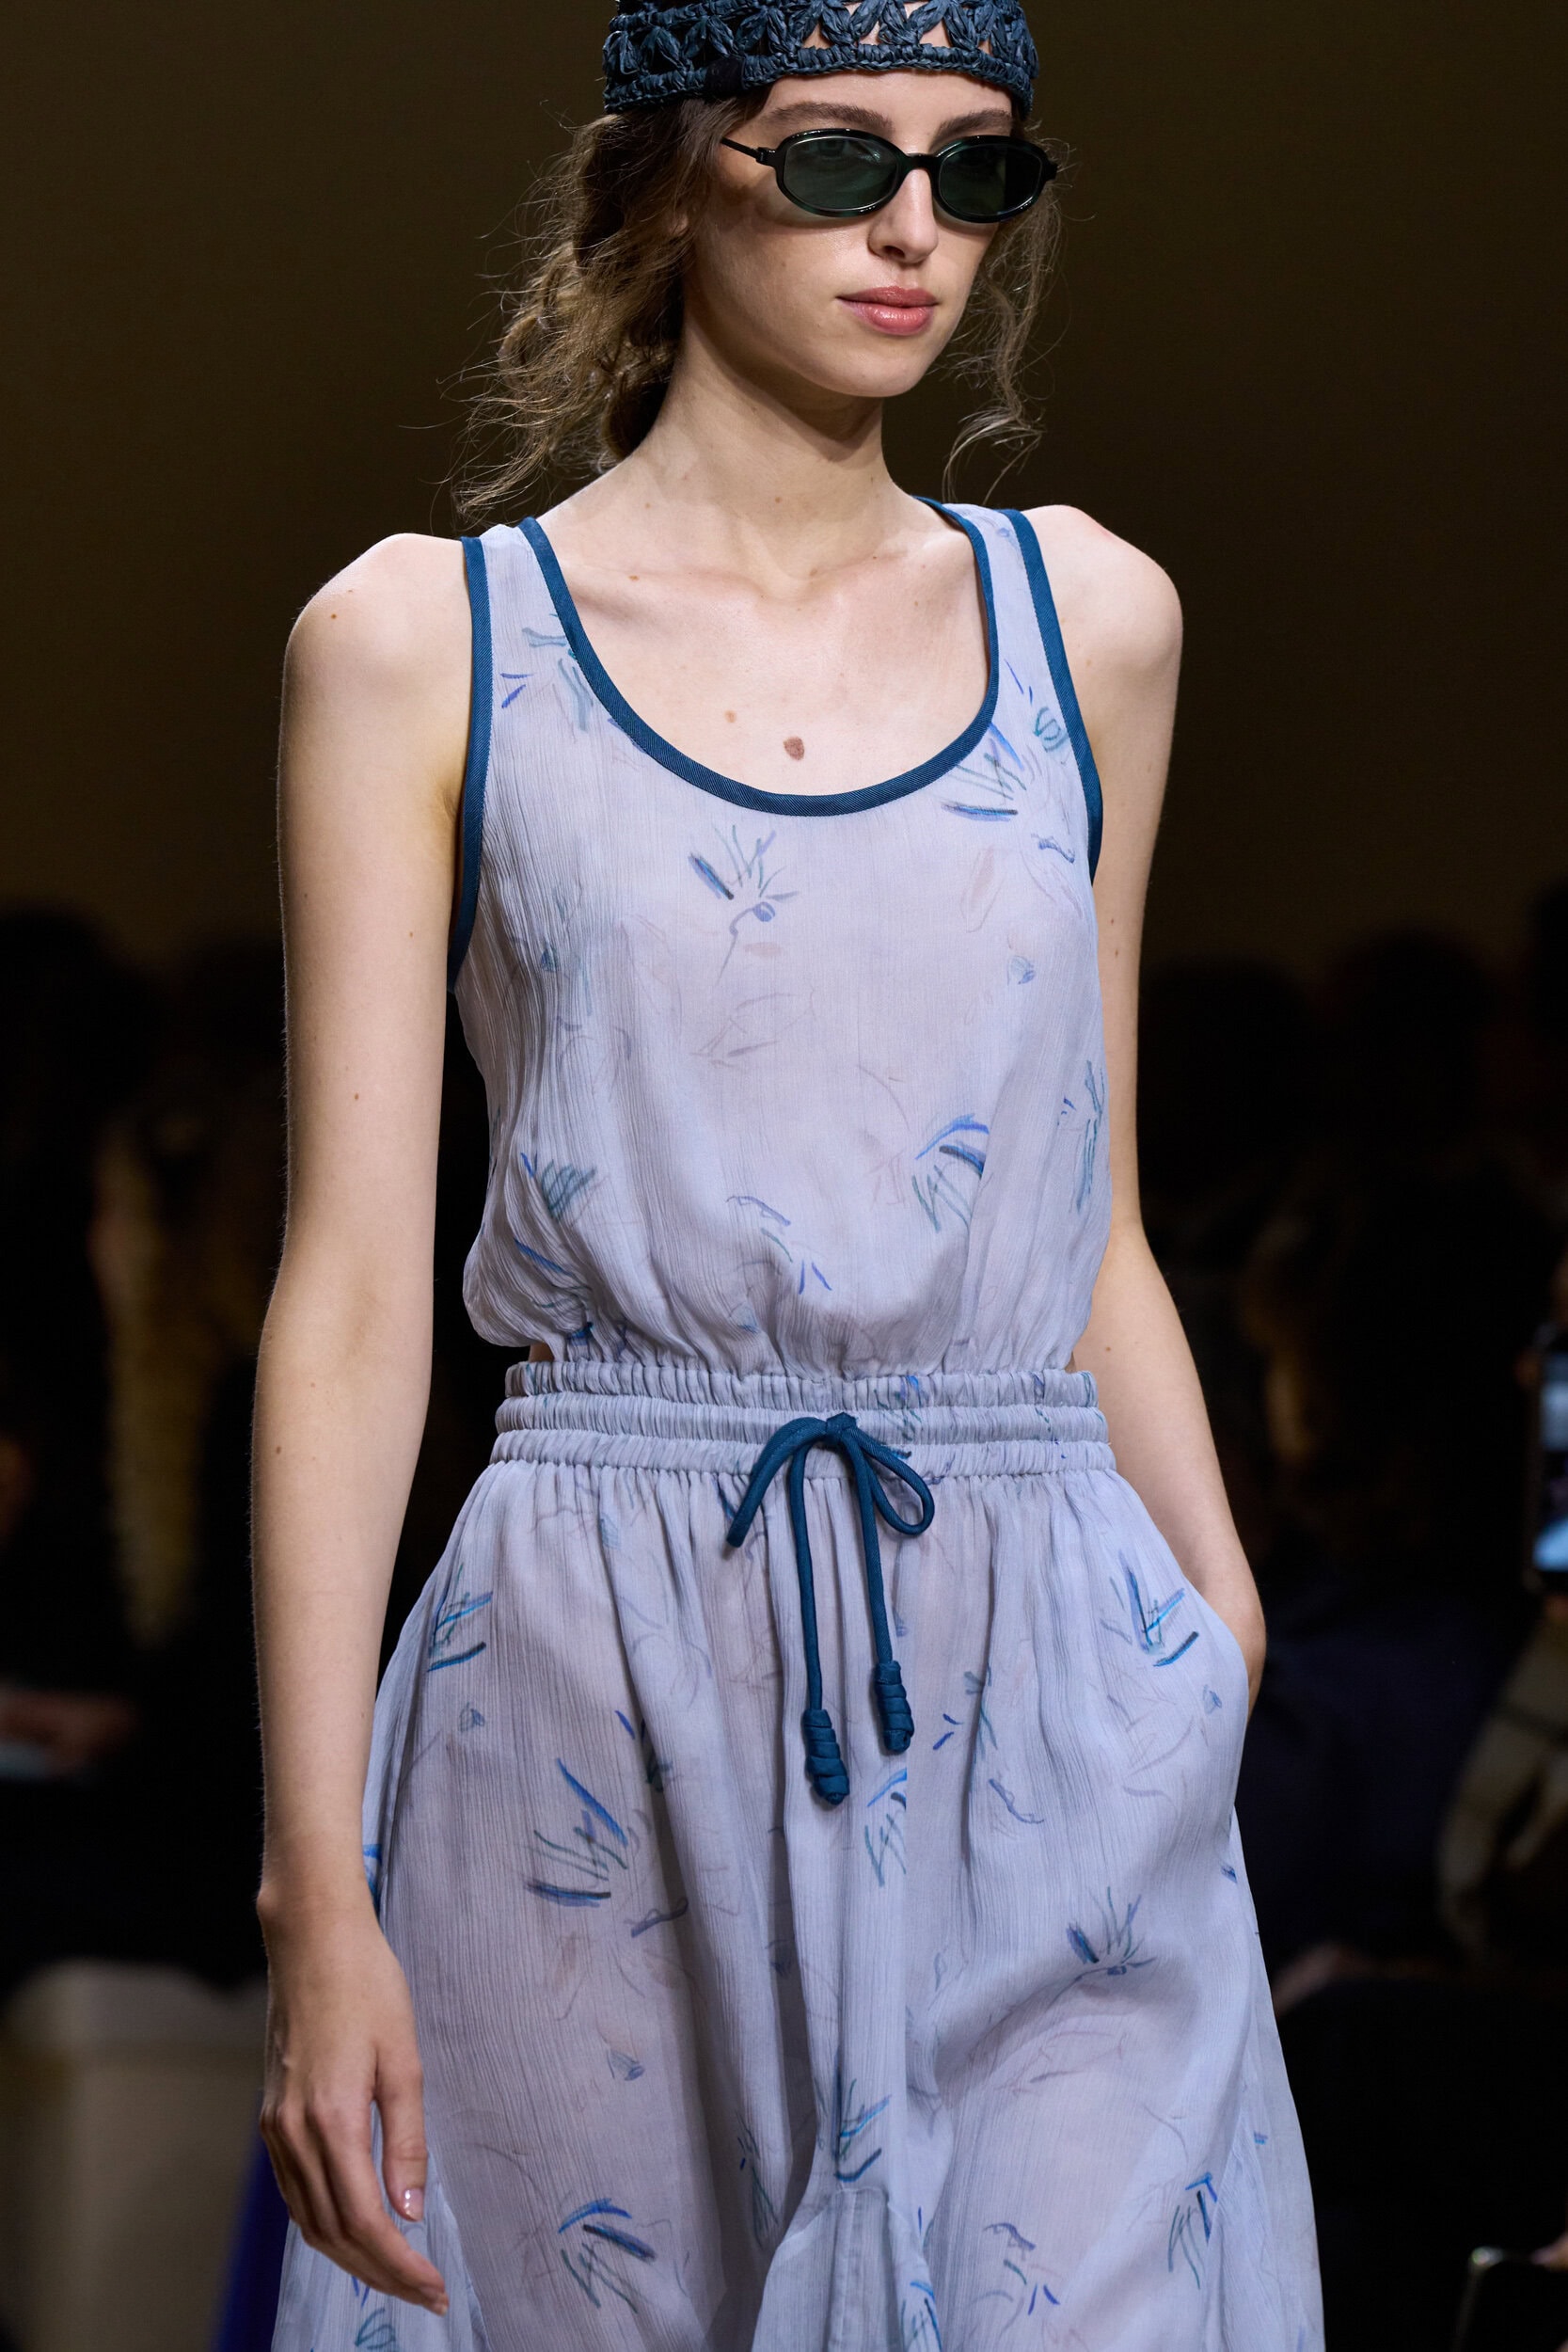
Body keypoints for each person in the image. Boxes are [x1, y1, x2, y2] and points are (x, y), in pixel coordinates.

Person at [254, 7, 1322, 2347]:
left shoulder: (1092, 620)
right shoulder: (427, 644)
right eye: (838, 160)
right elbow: (351, 1292)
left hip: (1038, 1634)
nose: (915, 228)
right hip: (592, 1652)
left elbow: (1092, 1213)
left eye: (978, 170)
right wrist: (314, 1879)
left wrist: (1213, 1634)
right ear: (667, 183)